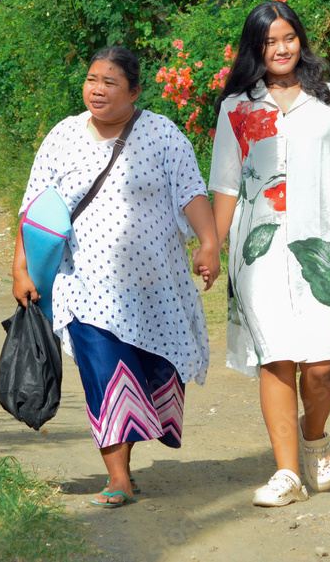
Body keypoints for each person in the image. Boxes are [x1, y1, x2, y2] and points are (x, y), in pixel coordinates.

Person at [12, 46, 220, 508]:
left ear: (134, 91)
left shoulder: (163, 135)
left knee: (150, 371)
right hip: (83, 284)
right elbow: (35, 209)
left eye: (109, 82)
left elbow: (191, 191)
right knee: (105, 374)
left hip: (155, 287)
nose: (97, 89)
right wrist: (19, 267)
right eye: (91, 79)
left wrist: (208, 244)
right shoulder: (63, 136)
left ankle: (129, 453)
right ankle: (118, 476)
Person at [209, 1, 330, 507]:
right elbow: (226, 188)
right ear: (255, 49)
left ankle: (316, 435)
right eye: (268, 42)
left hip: (323, 249)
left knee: (322, 366)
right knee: (276, 359)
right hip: (258, 255)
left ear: (300, 40)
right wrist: (211, 246)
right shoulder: (236, 108)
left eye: (287, 37)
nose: (280, 48)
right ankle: (287, 473)